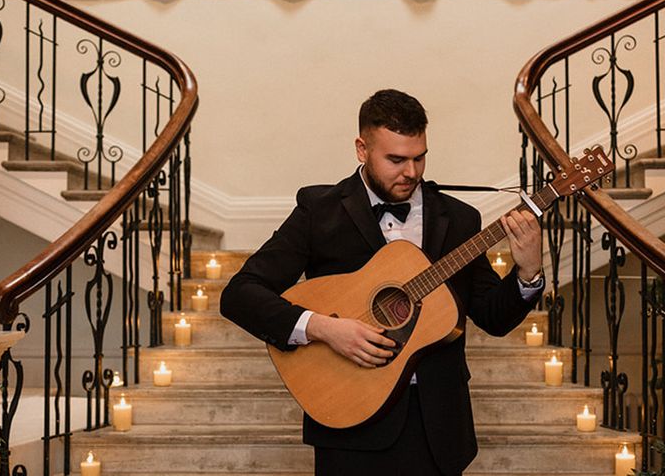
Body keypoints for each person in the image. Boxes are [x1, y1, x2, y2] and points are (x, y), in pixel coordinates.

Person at [220, 88, 545, 476]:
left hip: (437, 426)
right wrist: (324, 328)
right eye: (396, 159)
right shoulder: (319, 210)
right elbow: (240, 295)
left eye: (419, 157)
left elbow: (492, 317)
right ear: (362, 148)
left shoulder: (460, 219)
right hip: (348, 417)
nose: (411, 172)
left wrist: (528, 273)